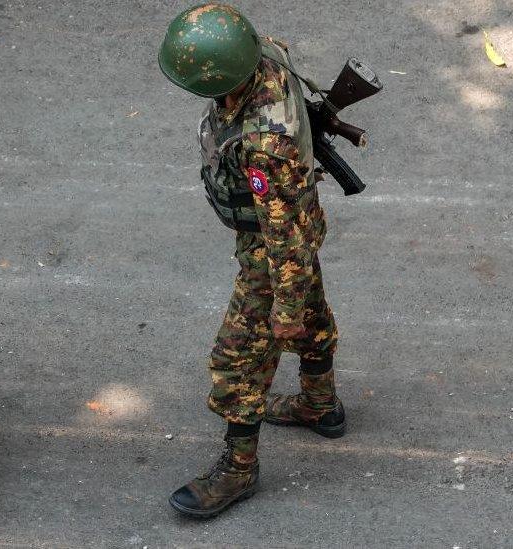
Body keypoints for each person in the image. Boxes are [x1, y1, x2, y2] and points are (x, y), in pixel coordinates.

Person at [158, 4, 346, 518]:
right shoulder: (262, 53)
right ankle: (319, 404)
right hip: (296, 221)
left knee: (237, 358)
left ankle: (238, 469)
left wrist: (282, 309)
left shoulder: (266, 147)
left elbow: (283, 239)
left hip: (274, 245)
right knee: (310, 308)